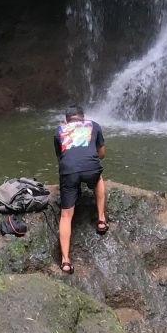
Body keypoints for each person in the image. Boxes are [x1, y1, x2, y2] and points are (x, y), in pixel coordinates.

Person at [53, 105, 107, 274]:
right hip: (91, 168)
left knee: (66, 215)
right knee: (98, 179)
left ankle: (66, 261)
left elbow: (60, 156)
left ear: (66, 120)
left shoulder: (59, 130)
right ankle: (101, 220)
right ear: (84, 118)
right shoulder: (94, 125)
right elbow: (102, 154)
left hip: (69, 171)